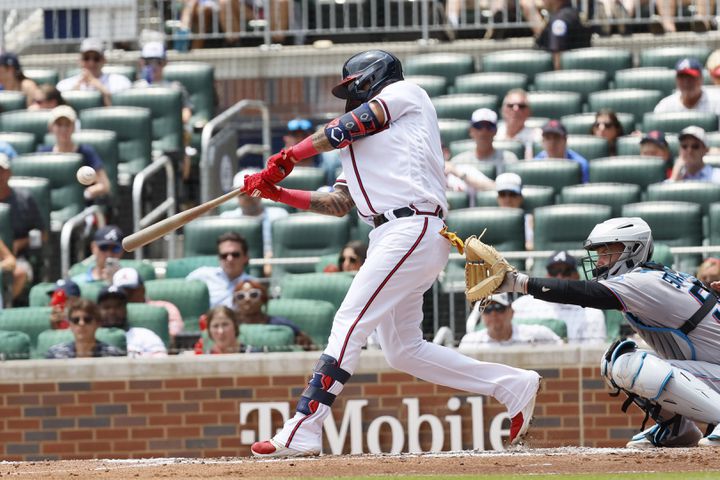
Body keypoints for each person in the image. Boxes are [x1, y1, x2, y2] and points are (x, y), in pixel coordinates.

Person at [241, 50, 541, 457]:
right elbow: (337, 203)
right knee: (403, 350)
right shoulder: (357, 147)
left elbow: (353, 123)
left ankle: (303, 427)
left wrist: (291, 155)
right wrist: (277, 193)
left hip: (412, 224)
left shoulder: (407, 94)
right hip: (390, 235)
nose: (352, 95)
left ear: (374, 77)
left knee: (350, 320)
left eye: (355, 85)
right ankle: (513, 385)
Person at [494, 216, 720, 448]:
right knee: (613, 360)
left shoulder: (642, 281)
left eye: (607, 252)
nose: (600, 261)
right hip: (712, 367)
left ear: (634, 250)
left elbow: (582, 293)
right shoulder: (655, 277)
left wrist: (518, 283)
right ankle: (676, 429)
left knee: (631, 364)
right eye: (599, 253)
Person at [510, 251, 606, 344]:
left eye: (566, 272)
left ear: (577, 276)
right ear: (547, 275)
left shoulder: (591, 312)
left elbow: (592, 354)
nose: (559, 277)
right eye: (554, 272)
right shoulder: (522, 304)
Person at [221, 170, 289, 276]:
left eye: (253, 191)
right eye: (243, 193)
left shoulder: (279, 215)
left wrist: (271, 258)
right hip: (238, 269)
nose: (249, 197)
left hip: (275, 266)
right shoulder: (227, 219)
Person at [39, 105, 111, 202]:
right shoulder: (43, 154)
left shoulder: (86, 152)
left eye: (68, 124)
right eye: (59, 124)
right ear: (51, 128)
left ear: (74, 127)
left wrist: (86, 194)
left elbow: (105, 185)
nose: (64, 129)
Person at [0, 152, 44, 303]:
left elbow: (42, 234)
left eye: (1, 171)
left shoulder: (24, 199)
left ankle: (5, 308)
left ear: (9, 173)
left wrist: (20, 243)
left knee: (20, 273)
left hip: (20, 257)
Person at [459, 293, 562, 349]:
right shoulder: (470, 343)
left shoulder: (536, 334)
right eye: (487, 309)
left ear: (511, 312)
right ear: (482, 316)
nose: (493, 314)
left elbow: (564, 351)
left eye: (499, 308)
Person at [233, 279, 313, 350]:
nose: (247, 299)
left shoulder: (281, 324)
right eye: (241, 296)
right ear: (235, 301)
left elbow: (311, 347)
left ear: (263, 299)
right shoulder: (230, 325)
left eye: (253, 295)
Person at [56, 38, 132, 106]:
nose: (91, 63)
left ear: (104, 60)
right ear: (80, 60)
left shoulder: (119, 81)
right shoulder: (65, 84)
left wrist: (99, 86)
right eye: (86, 58)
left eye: (96, 58)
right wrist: (73, 93)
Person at [112, 267, 184, 339]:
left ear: (142, 289)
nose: (126, 296)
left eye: (130, 292)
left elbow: (172, 335)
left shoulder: (165, 308)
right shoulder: (111, 313)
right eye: (121, 293)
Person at [186, 232, 253, 308]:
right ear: (219, 258)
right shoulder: (202, 275)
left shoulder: (254, 285)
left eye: (235, 255)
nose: (229, 259)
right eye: (224, 255)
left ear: (246, 257)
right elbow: (179, 296)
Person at [97, 285, 168, 357]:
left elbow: (163, 363)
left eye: (117, 306)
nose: (112, 312)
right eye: (106, 307)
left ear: (125, 309)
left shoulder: (145, 335)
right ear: (98, 311)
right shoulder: (90, 337)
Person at [46, 298, 126, 359]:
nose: (81, 323)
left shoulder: (114, 355)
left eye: (87, 319)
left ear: (97, 323)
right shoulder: (55, 354)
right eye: (75, 320)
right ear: (70, 324)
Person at [524, 0, 591, 70]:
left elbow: (557, 55)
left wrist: (557, 77)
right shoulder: (573, 13)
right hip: (577, 71)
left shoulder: (559, 21)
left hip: (559, 75)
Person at [449, 108, 518, 174]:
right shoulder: (458, 162)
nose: (484, 131)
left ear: (496, 130)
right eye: (478, 126)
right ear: (471, 130)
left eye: (489, 126)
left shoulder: (509, 160)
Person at [654, 58, 720, 117]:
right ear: (676, 80)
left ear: (701, 78)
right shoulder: (666, 106)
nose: (686, 82)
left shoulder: (716, 102)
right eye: (682, 77)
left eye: (691, 77)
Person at [495, 172, 533, 251]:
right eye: (502, 194)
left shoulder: (531, 221)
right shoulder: (488, 222)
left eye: (512, 194)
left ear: (521, 197)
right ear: (497, 198)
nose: (507, 199)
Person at [496, 89, 537, 159]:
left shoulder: (537, 137)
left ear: (529, 111)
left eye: (521, 106)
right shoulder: (493, 133)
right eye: (510, 105)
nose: (516, 109)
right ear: (502, 110)